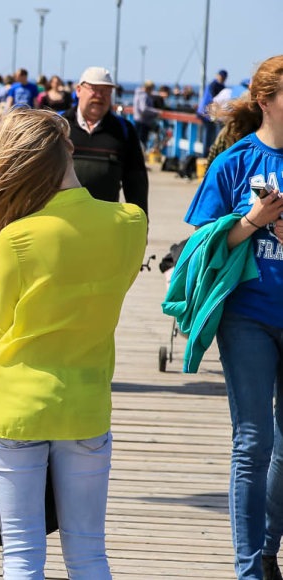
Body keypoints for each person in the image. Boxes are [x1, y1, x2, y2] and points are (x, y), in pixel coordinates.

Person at [0, 107, 147, 578]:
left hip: (17, 407)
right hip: (86, 404)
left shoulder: (17, 236)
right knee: (88, 552)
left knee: (22, 555)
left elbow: (2, 325)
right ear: (69, 149)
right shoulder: (129, 222)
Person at [182, 55, 283, 580]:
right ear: (265, 101)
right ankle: (250, 570)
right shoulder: (235, 161)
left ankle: (267, 549)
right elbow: (201, 242)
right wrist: (253, 220)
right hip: (248, 313)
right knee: (252, 441)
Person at [64, 66, 149, 217]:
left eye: (106, 91)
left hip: (105, 222)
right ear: (78, 90)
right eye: (94, 89)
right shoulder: (58, 125)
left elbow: (136, 181)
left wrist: (141, 221)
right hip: (62, 220)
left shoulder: (124, 130)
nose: (99, 96)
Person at [198, 69, 228, 156]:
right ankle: (204, 156)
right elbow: (215, 99)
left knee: (210, 136)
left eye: (223, 77)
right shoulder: (214, 85)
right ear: (217, 76)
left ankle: (207, 155)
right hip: (207, 113)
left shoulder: (216, 85)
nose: (222, 79)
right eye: (221, 77)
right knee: (208, 136)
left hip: (208, 113)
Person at [133, 80, 163, 149]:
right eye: (151, 89)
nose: (152, 91)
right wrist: (156, 112)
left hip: (139, 120)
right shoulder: (144, 95)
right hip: (143, 122)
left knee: (138, 142)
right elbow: (143, 109)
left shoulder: (138, 93)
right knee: (141, 143)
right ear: (148, 88)